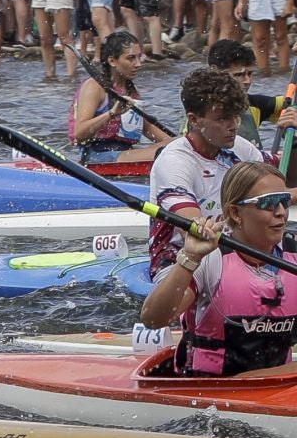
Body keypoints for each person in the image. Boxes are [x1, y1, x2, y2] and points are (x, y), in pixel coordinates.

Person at [141, 161, 297, 376]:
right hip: (209, 392)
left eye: (284, 201)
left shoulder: (293, 256)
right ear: (235, 212)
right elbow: (153, 319)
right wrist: (189, 258)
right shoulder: (211, 260)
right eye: (268, 203)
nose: (280, 212)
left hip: (277, 386)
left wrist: (261, 377)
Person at [146, 66, 289, 275]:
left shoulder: (239, 147)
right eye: (222, 119)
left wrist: (293, 141)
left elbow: (284, 181)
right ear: (194, 120)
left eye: (235, 116)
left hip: (240, 251)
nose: (233, 126)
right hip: (180, 260)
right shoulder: (174, 162)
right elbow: (195, 233)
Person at [68, 29, 171, 165]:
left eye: (139, 57)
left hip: (124, 153)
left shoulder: (131, 91)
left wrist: (181, 143)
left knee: (175, 146)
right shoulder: (94, 87)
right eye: (131, 58)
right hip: (96, 156)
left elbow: (148, 128)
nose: (138, 64)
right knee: (165, 152)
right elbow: (78, 135)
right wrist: (111, 114)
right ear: (112, 61)